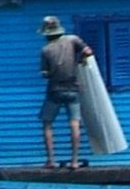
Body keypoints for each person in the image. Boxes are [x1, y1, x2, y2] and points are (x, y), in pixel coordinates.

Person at [37, 15, 93, 168]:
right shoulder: (73, 40)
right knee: (74, 123)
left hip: (54, 90)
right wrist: (79, 61)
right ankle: (74, 161)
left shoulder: (45, 50)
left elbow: (45, 74)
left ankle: (51, 160)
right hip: (73, 88)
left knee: (47, 123)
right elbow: (88, 51)